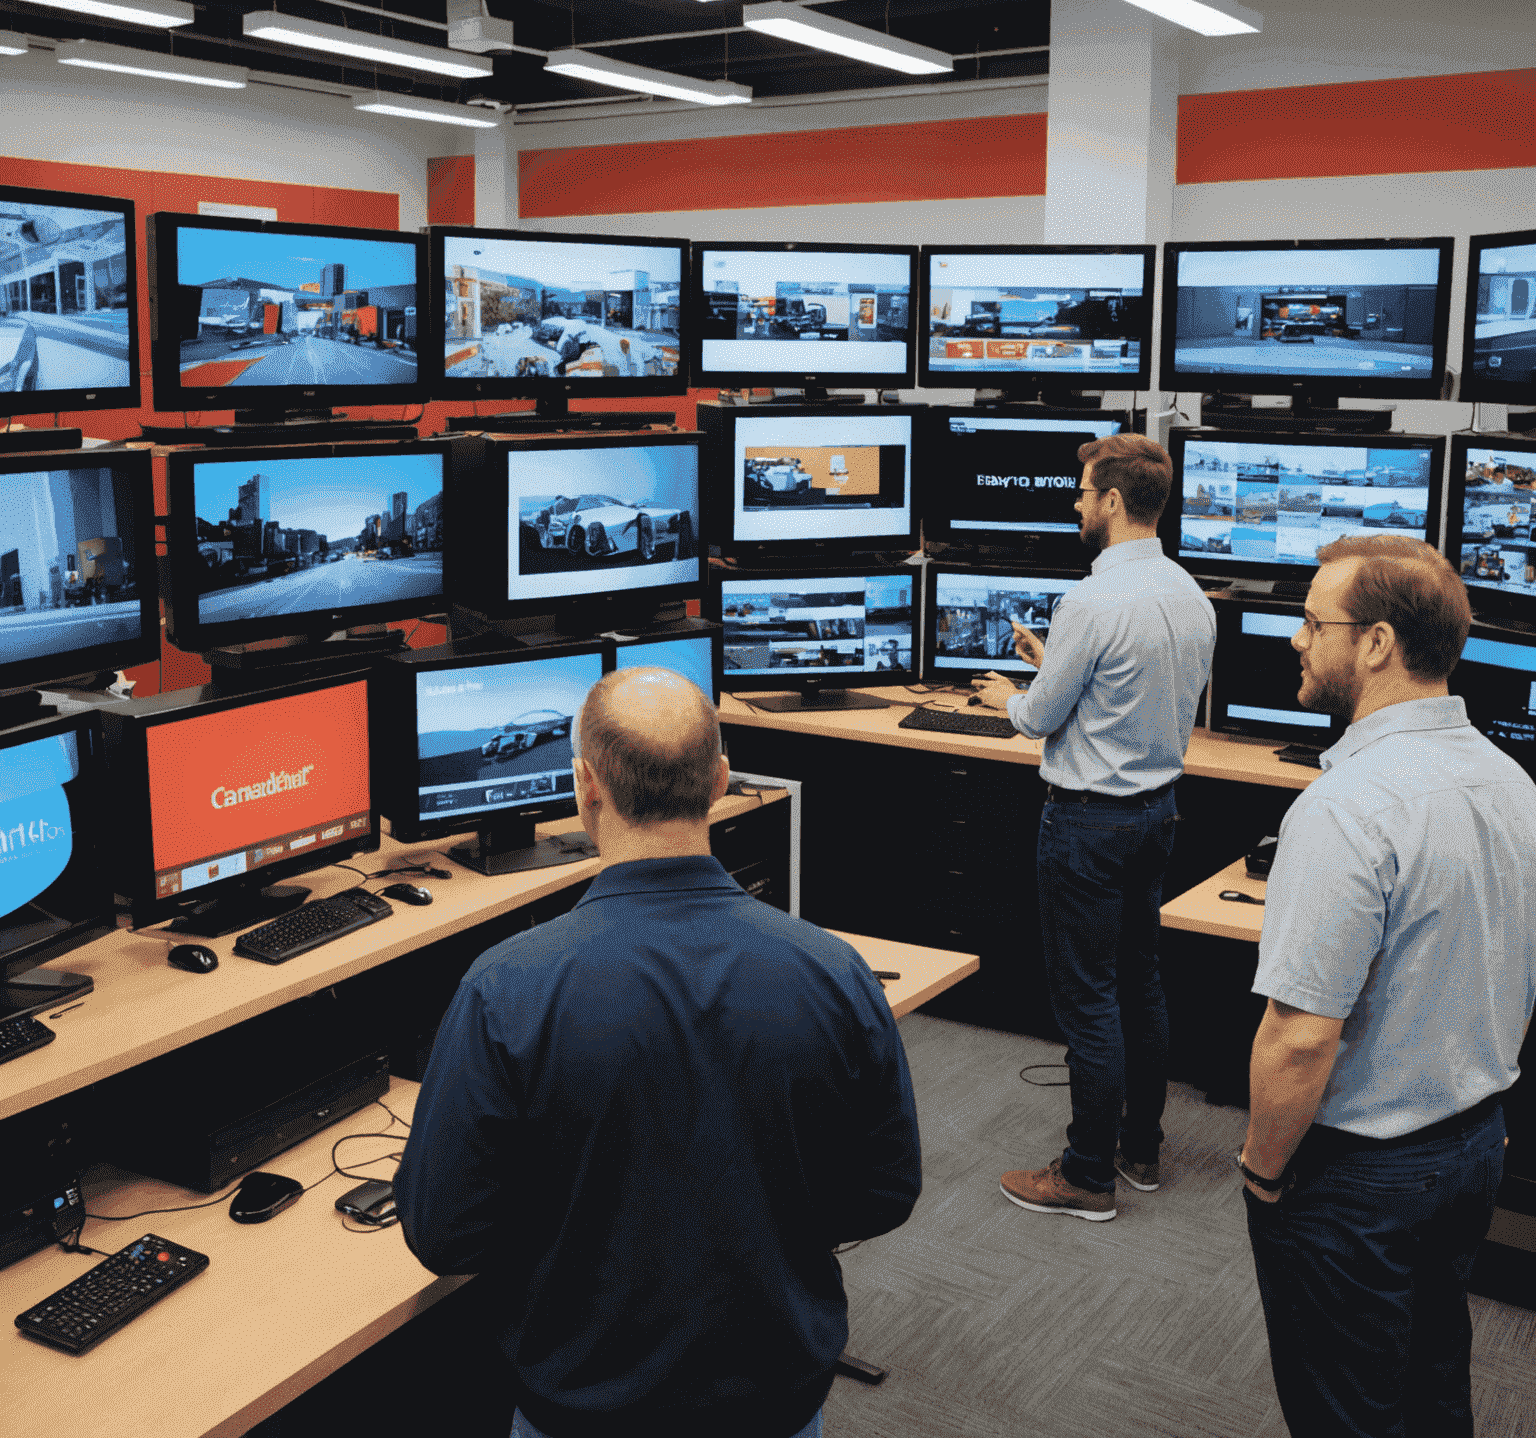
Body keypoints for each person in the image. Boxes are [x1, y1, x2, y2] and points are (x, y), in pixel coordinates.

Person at [394, 667, 922, 1438]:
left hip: (579, 1409)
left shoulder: (506, 990)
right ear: (719, 781)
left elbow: (443, 1233)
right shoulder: (833, 972)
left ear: (585, 787)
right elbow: (886, 1191)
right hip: (775, 1403)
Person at [1238, 536, 1536, 1436]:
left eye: (1311, 622)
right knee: (1433, 1374)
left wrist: (1258, 1170)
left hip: (1362, 1172)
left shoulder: (1343, 808)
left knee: (1346, 1406)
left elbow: (1299, 1035)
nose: (1296, 639)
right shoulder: (1511, 779)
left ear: (1375, 644)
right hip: (1477, 1141)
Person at [970, 433, 1216, 1222]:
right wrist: (1059, 661)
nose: (1076, 505)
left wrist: (1006, 695)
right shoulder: (1190, 594)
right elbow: (1127, 696)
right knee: (1140, 982)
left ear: (1111, 502)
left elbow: (1040, 718)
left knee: (1088, 1003)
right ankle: (1139, 1148)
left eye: (1081, 493)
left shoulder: (1090, 601)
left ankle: (1085, 1175)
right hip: (1155, 816)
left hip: (1086, 825)